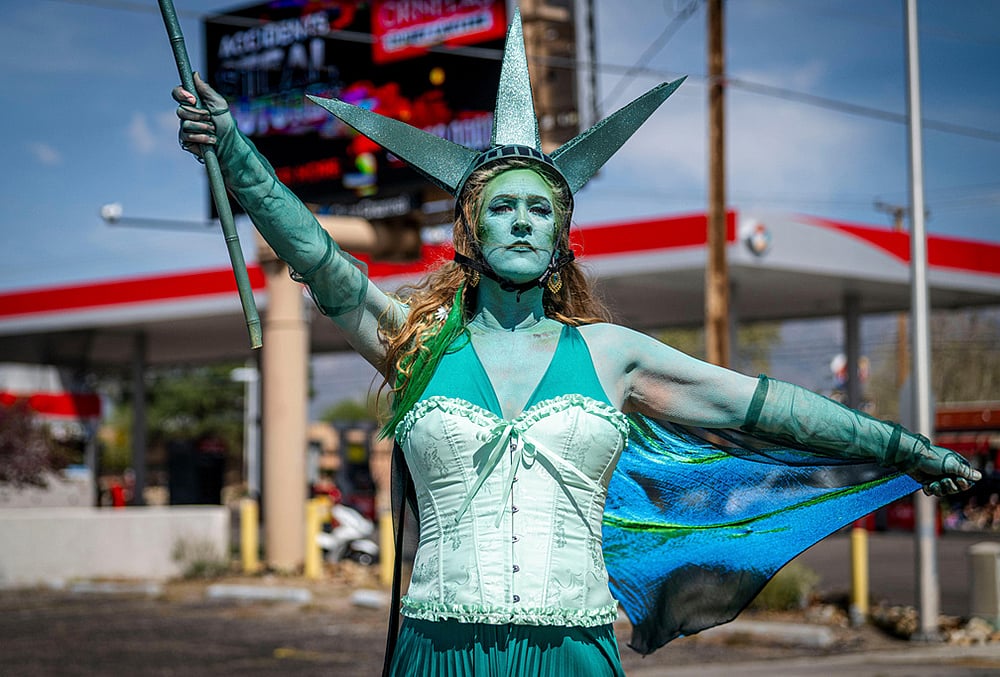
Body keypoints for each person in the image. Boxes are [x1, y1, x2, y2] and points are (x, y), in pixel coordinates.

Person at [173, 11, 977, 676]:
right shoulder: (413, 343)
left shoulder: (612, 354)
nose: (522, 219)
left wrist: (903, 445)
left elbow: (769, 408)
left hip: (574, 653)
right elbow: (321, 262)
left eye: (540, 209)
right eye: (502, 206)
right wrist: (238, 156)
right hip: (438, 651)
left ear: (561, 235)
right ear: (469, 227)